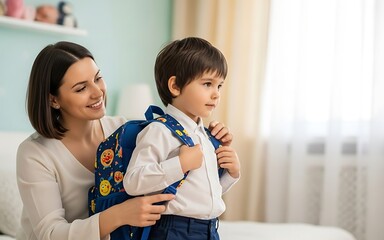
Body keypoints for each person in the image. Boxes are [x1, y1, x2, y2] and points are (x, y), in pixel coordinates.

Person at [16, 41, 233, 240]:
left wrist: (208, 142)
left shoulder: (125, 131)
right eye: (81, 88)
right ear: (53, 99)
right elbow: (50, 234)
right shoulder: (35, 153)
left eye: (98, 78)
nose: (97, 92)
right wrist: (117, 216)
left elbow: (175, 182)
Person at [123, 37, 241, 240]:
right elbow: (133, 182)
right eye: (207, 84)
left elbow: (202, 196)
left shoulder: (205, 135)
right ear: (175, 86)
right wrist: (180, 164)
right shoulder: (159, 130)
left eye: (219, 86)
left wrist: (232, 173)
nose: (216, 95)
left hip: (210, 229)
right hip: (174, 230)